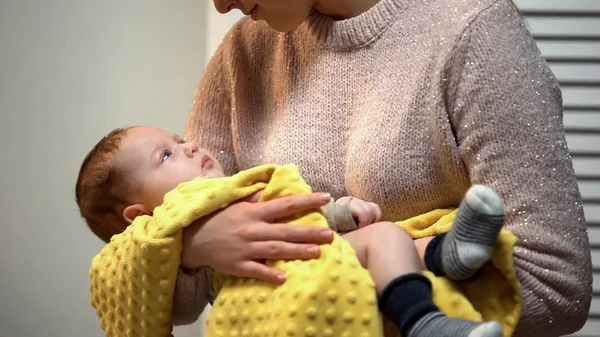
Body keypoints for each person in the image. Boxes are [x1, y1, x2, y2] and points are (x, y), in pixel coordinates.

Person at [176, 0, 592, 336]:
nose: (219, 5)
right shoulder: (243, 51)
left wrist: (335, 302)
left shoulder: (474, 31)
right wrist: (195, 246)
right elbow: (180, 301)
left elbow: (555, 288)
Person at [77, 126, 511, 337]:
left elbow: (300, 212)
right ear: (140, 216)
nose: (190, 144)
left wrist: (341, 211)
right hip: (281, 298)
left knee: (390, 237)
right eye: (166, 154)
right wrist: (186, 253)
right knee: (384, 241)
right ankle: (425, 324)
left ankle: (449, 254)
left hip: (323, 257)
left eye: (178, 137)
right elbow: (178, 309)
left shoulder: (242, 189)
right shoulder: (175, 257)